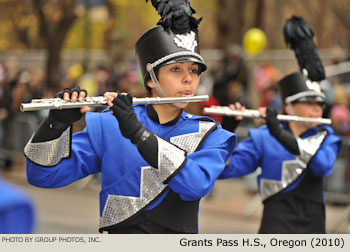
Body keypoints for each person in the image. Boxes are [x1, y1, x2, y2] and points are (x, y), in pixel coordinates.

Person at [23, 1, 236, 234]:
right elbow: (42, 176)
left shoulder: (210, 135)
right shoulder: (110, 125)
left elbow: (196, 185)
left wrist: (137, 133)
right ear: (151, 79)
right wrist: (56, 123)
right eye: (176, 69)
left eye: (193, 70)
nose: (188, 79)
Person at [220, 71, 343, 233]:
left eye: (320, 103)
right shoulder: (264, 136)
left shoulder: (326, 137)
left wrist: (280, 134)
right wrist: (225, 134)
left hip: (313, 227)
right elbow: (224, 169)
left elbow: (322, 166)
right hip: (275, 226)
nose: (316, 109)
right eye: (308, 102)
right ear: (289, 107)